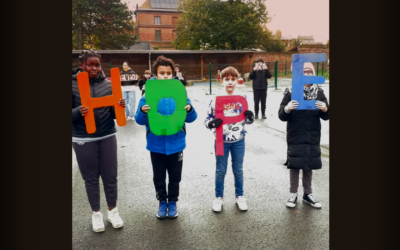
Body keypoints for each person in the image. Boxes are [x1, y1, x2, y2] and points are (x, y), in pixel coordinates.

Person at [135, 55, 197, 219]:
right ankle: (162, 202)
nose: (165, 76)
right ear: (155, 75)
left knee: (175, 177)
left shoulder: (180, 93)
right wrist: (143, 112)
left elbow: (191, 118)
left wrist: (189, 109)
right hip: (156, 145)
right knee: (159, 177)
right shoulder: (146, 96)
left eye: (168, 73)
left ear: (173, 74)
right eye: (162, 73)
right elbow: (139, 120)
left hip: (176, 144)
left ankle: (173, 202)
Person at [72, 50, 125, 232]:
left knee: (110, 177)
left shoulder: (108, 85)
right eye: (90, 65)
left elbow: (113, 115)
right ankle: (96, 214)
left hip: (107, 135)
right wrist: (78, 111)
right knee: (91, 179)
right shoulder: (72, 85)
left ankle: (113, 211)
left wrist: (119, 107)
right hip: (83, 138)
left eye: (97, 65)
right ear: (81, 65)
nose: (94, 68)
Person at [278, 62, 329, 209]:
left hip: (312, 134)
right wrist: (287, 108)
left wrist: (325, 108)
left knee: (308, 164)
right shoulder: (291, 91)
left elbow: (326, 115)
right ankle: (293, 194)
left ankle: (308, 194)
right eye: (304, 72)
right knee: (295, 164)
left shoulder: (319, 93)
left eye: (309, 72)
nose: (306, 74)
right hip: (295, 134)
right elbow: (281, 115)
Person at [204, 66, 254, 212]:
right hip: (221, 140)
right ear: (222, 81)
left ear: (237, 80)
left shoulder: (242, 99)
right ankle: (218, 198)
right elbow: (207, 119)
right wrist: (210, 123)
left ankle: (240, 196)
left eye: (233, 79)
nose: (230, 82)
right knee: (220, 170)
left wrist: (250, 118)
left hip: (239, 140)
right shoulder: (216, 100)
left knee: (238, 170)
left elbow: (247, 120)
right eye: (227, 79)